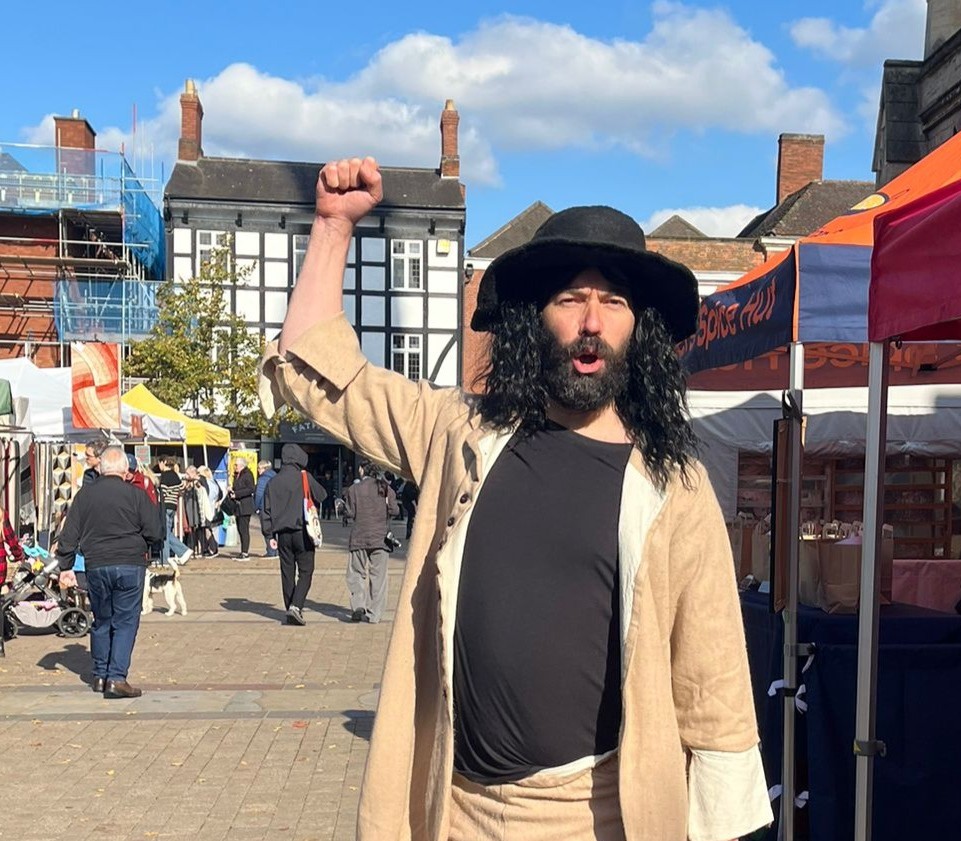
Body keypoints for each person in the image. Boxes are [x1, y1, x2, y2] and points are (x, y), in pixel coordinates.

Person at [258, 157, 769, 841]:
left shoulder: (673, 481)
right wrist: (330, 226)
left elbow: (715, 681)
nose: (592, 320)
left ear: (638, 327)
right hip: (453, 808)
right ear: (536, 319)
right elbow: (324, 376)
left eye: (613, 301)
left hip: (599, 817)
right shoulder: (459, 433)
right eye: (570, 299)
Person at [54, 446, 163, 698]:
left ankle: (100, 675)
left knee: (102, 619)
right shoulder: (136, 495)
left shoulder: (84, 496)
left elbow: (68, 535)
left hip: (97, 564)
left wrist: (65, 566)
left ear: (100, 469)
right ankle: (116, 677)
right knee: (125, 621)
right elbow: (155, 531)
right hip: (129, 563)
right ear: (125, 471)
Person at [260, 443, 326, 626]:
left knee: (287, 573)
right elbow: (322, 495)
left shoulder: (272, 481)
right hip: (303, 532)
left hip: (282, 535)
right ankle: (296, 606)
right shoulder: (304, 477)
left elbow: (265, 511)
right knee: (306, 571)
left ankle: (290, 607)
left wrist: (269, 536)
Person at [343, 464, 398, 623]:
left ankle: (358, 605)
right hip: (380, 538)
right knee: (378, 578)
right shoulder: (385, 488)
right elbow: (395, 510)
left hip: (359, 537)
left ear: (361, 469)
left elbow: (350, 513)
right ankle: (374, 614)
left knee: (355, 573)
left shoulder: (354, 489)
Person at [229, 458, 257, 561]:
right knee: (240, 530)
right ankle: (242, 551)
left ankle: (245, 552)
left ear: (242, 465)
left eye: (236, 465)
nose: (234, 467)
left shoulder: (248, 474)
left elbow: (251, 489)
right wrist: (231, 491)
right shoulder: (237, 475)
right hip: (238, 507)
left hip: (245, 506)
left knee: (244, 529)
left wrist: (237, 494)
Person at [254, 460, 278, 557]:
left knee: (267, 530)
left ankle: (271, 551)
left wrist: (256, 507)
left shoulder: (263, 479)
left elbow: (259, 494)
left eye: (259, 468)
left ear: (264, 468)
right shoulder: (276, 477)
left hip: (264, 507)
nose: (258, 470)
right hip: (275, 508)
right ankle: (276, 550)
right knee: (275, 529)